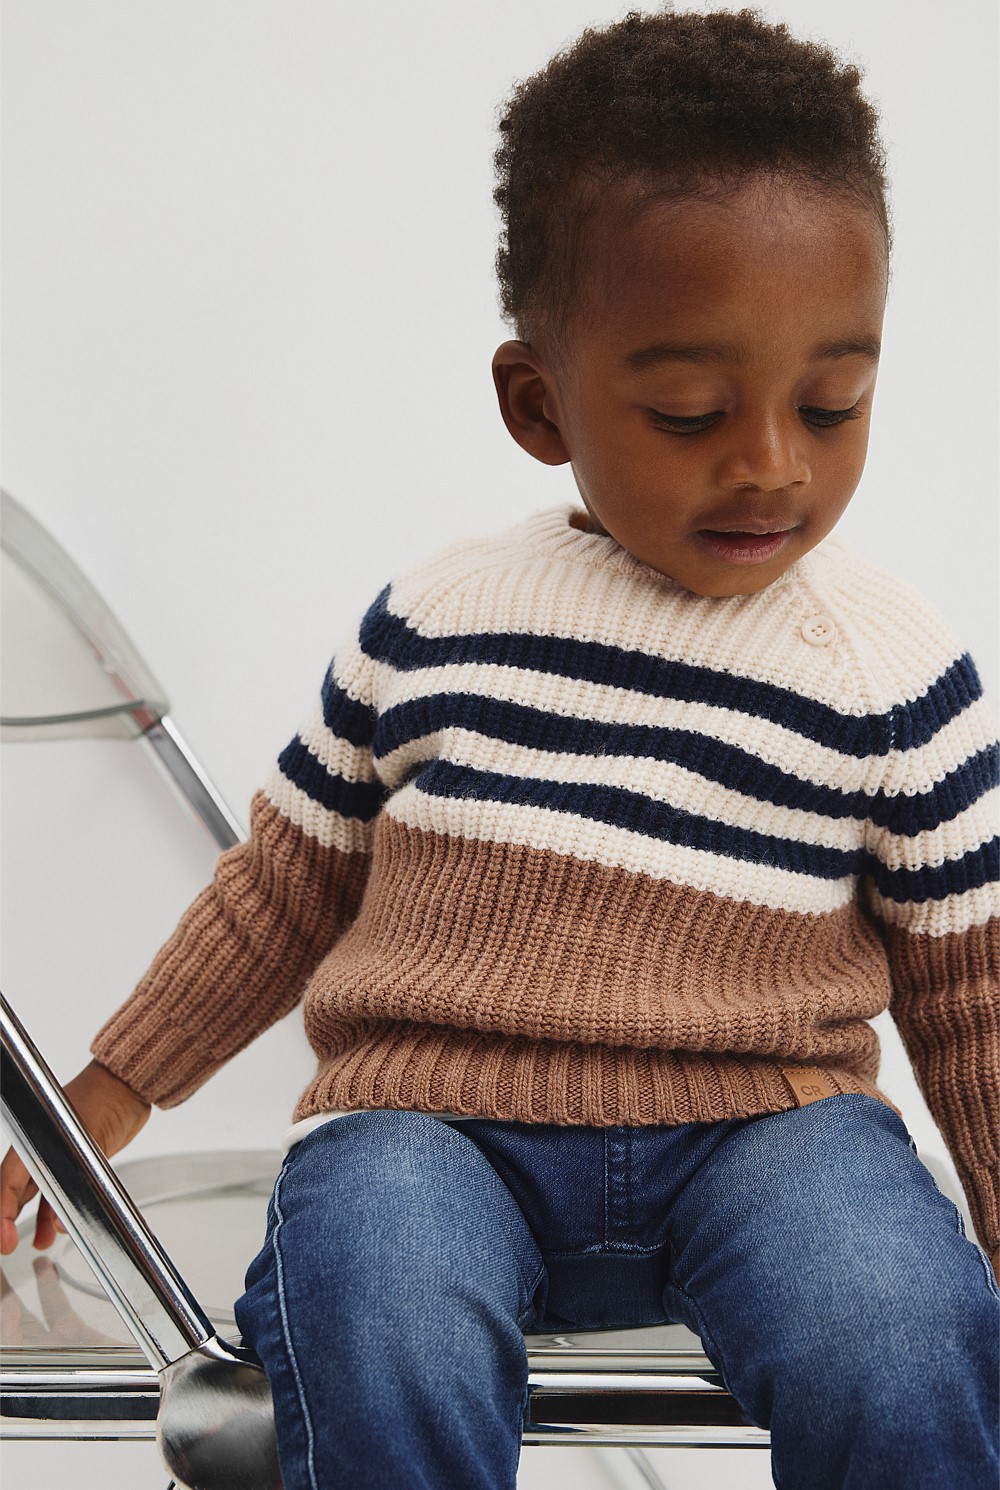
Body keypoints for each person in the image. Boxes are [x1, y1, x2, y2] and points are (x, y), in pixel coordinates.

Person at [2, 8, 997, 1488]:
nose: (772, 462)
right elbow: (284, 886)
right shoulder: (438, 618)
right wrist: (111, 1088)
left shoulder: (890, 666)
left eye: (831, 403)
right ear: (540, 403)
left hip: (770, 1134)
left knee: (900, 1326)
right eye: (689, 412)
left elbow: (971, 991)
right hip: (434, 1125)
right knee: (374, 1292)